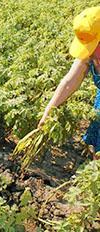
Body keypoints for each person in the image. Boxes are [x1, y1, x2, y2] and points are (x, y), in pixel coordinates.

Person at [39, 7, 100, 159]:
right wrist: (49, 109)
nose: (90, 53)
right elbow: (70, 81)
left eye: (93, 46)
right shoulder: (90, 54)